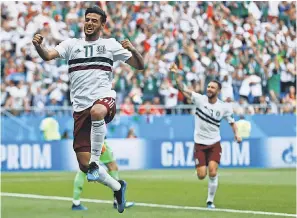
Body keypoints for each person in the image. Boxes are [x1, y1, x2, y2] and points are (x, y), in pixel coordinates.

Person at [32, 6, 144, 213]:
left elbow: (140, 65)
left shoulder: (110, 45)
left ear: (103, 24)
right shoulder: (71, 45)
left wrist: (134, 49)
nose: (89, 23)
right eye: (87, 19)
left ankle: (95, 162)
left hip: (104, 101)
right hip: (80, 109)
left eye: (94, 20)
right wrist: (38, 46)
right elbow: (48, 55)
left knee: (97, 113)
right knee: (83, 166)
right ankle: (118, 188)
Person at [170, 63, 242, 209]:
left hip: (214, 143)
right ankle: (201, 170)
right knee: (202, 175)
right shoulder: (200, 99)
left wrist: (237, 134)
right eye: (208, 87)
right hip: (199, 143)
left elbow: (232, 123)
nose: (209, 89)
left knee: (213, 171)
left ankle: (210, 201)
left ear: (218, 91)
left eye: (212, 87)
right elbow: (183, 88)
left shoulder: (224, 107)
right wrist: (176, 75)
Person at [72, 140, 135, 210]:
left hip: (84, 141)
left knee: (83, 169)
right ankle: (118, 200)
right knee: (112, 166)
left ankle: (76, 202)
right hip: (97, 140)